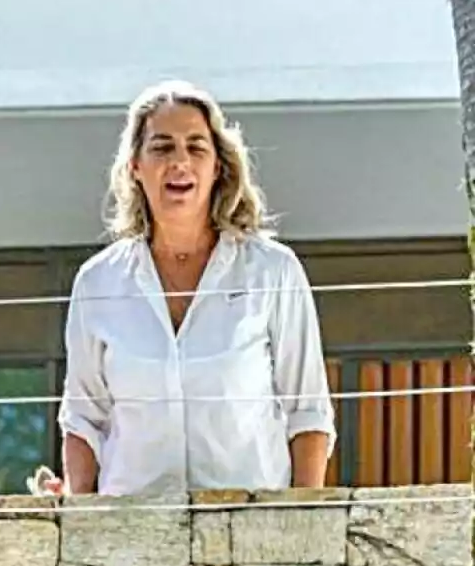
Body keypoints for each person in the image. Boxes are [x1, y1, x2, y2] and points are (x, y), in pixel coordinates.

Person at [46, 80, 335, 497]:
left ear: (217, 166)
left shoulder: (273, 271)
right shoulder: (97, 282)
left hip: (250, 524)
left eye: (196, 147)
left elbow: (307, 412)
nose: (179, 161)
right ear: (135, 167)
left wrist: (305, 521)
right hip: (131, 530)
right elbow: (83, 418)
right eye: (162, 147)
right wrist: (79, 513)